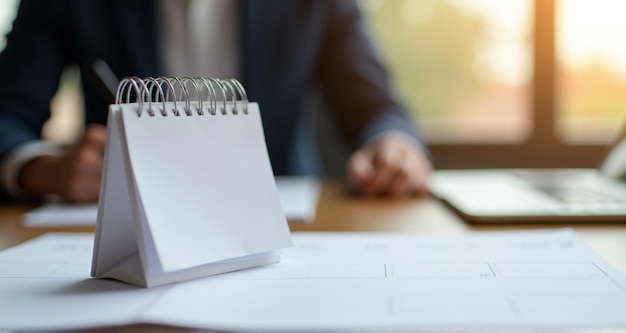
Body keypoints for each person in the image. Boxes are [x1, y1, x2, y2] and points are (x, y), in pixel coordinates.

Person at [0, 0, 432, 203]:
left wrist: (394, 143)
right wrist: (41, 168)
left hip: (282, 214)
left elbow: (375, 105)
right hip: (119, 219)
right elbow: (7, 115)